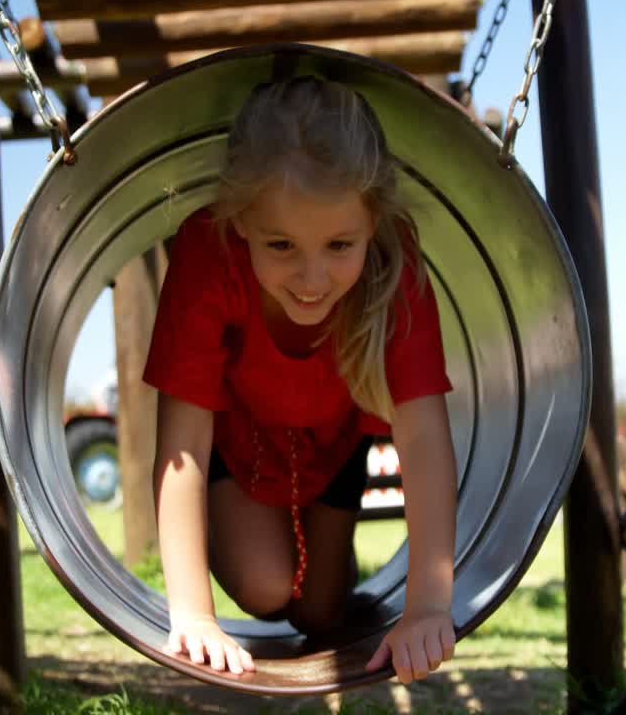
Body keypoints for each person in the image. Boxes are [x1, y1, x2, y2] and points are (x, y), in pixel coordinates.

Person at [143, 76, 459, 685]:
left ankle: (334, 565)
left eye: (340, 244)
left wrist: (426, 604)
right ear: (240, 222)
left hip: (337, 441)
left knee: (321, 612)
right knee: (265, 588)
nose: (312, 277)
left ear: (373, 224)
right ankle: (275, 553)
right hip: (241, 443)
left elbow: (422, 437)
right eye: (281, 244)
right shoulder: (207, 252)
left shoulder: (394, 265)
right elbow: (181, 440)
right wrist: (194, 614)